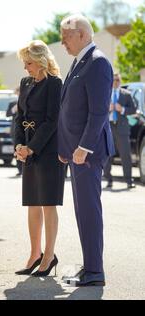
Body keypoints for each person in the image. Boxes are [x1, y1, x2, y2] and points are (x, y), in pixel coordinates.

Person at [58, 14, 115, 287]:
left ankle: (95, 272)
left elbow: (98, 112)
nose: (62, 42)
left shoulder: (98, 62)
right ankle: (91, 265)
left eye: (65, 36)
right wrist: (65, 148)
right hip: (76, 153)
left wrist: (82, 147)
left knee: (89, 210)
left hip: (87, 153)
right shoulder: (81, 61)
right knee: (82, 211)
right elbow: (70, 109)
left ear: (81, 34)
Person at [14, 40, 65, 277]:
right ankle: (34, 254)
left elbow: (53, 120)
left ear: (41, 60)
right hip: (28, 149)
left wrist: (32, 148)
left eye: (29, 63)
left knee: (47, 203)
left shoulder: (55, 84)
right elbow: (19, 116)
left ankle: (49, 255)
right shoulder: (25, 83)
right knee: (32, 202)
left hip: (48, 150)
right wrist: (19, 144)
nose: (26, 68)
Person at [103, 73, 137, 189]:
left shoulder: (126, 95)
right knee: (107, 155)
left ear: (120, 81)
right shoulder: (106, 94)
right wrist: (108, 108)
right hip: (109, 128)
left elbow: (133, 109)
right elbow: (98, 109)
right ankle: (108, 179)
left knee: (125, 156)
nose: (115, 82)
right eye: (113, 80)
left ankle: (129, 181)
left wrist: (122, 109)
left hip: (122, 128)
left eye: (117, 80)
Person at [6, 87, 22, 176]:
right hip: (15, 130)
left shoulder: (28, 100)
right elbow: (7, 114)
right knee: (17, 148)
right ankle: (20, 170)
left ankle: (25, 169)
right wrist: (13, 109)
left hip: (25, 128)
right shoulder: (12, 103)